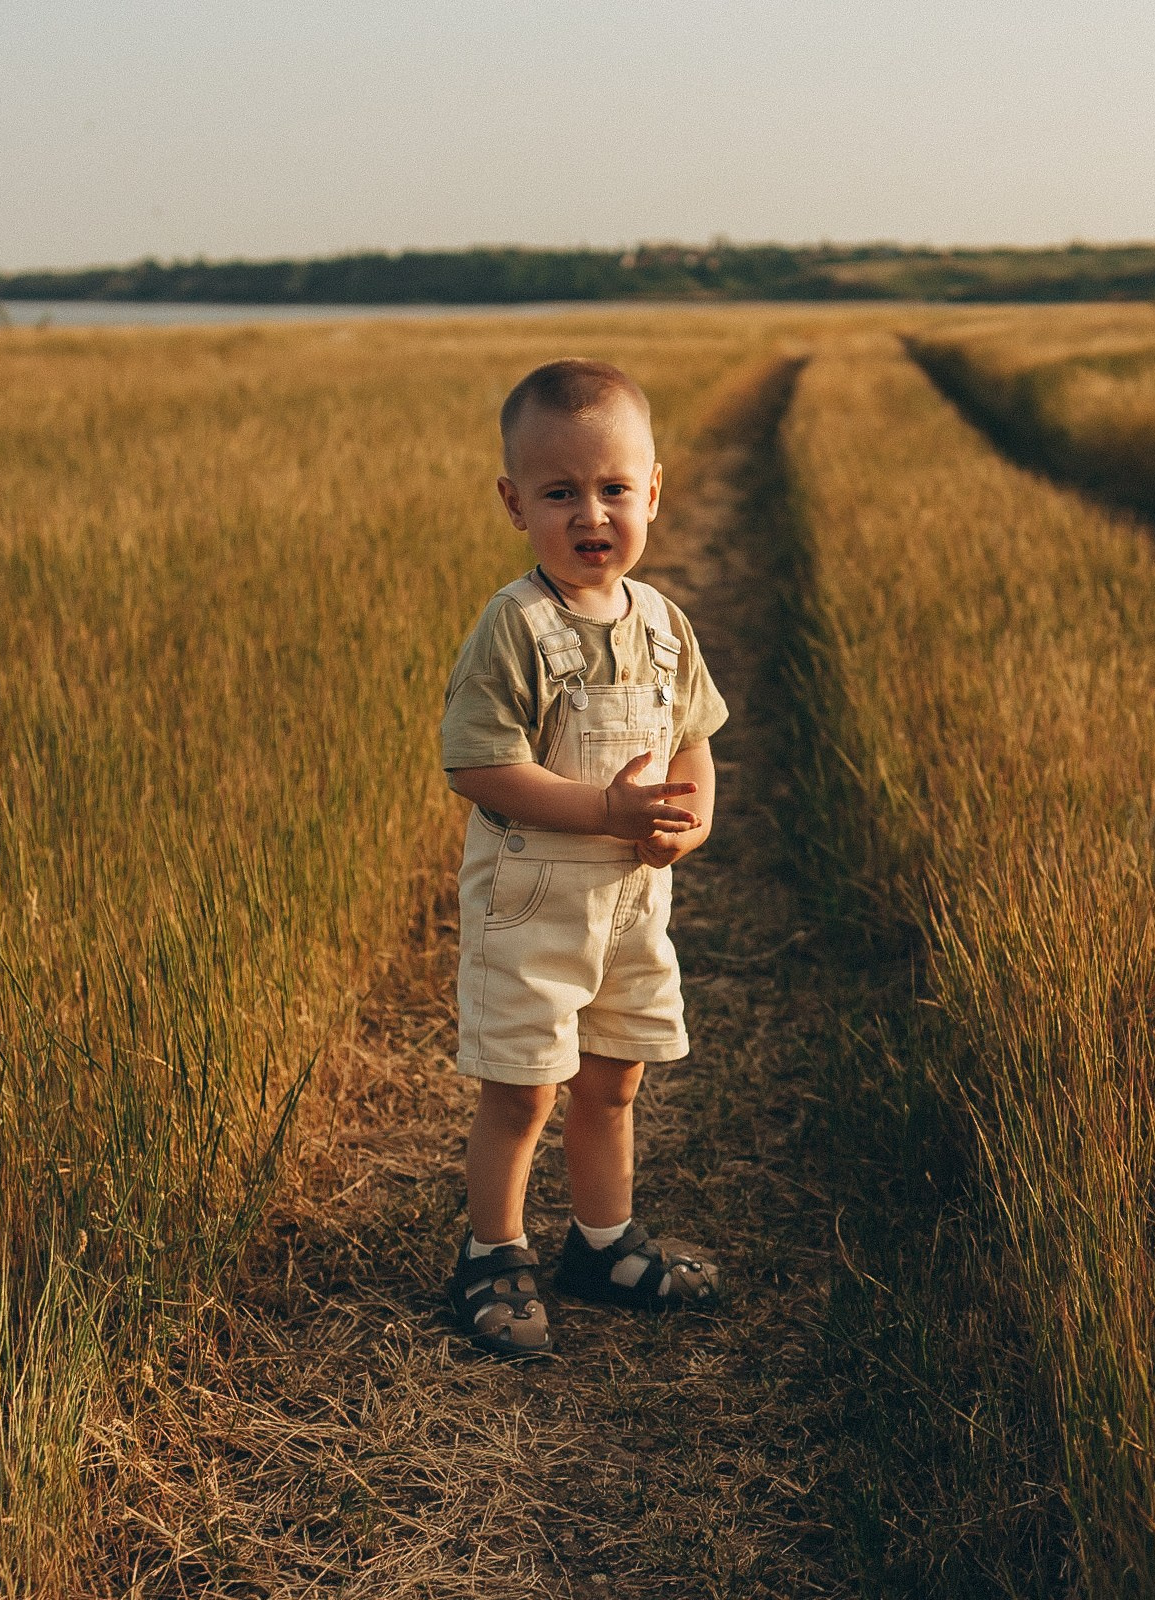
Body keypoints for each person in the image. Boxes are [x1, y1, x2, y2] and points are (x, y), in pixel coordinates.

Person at [438, 358, 725, 1357]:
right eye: (560, 493)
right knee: (523, 1084)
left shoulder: (661, 622)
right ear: (516, 503)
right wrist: (605, 806)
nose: (590, 514)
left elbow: (694, 740)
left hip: (634, 907)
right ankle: (493, 1252)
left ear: (652, 491)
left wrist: (688, 822)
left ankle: (602, 1241)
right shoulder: (514, 625)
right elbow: (480, 765)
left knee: (614, 1077)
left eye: (613, 489)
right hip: (532, 906)